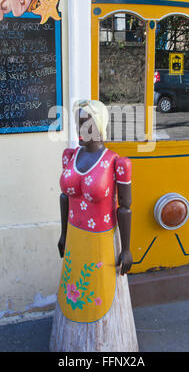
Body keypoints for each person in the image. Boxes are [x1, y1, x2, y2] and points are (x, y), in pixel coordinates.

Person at [49, 100, 138, 352]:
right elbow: (65, 196)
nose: (80, 128)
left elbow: (125, 207)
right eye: (78, 122)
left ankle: (106, 347)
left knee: (100, 294)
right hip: (75, 240)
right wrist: (63, 234)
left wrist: (127, 248)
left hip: (102, 242)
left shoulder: (116, 163)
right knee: (73, 293)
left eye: (85, 123)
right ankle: (70, 346)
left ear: (99, 126)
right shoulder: (70, 156)